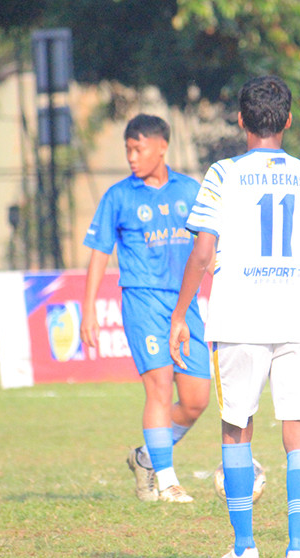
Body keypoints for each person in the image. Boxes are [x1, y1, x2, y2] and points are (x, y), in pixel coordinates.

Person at [169, 75, 300, 558]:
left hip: (239, 315)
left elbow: (202, 252)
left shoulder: (222, 175)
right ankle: (298, 554)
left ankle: (245, 548)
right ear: (287, 121)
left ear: (241, 120)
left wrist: (180, 314)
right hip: (299, 316)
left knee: (236, 426)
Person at [81, 114, 210, 503]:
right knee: (158, 388)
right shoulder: (119, 197)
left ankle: (145, 457)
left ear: (161, 147)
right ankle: (168, 481)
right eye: (128, 149)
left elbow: (209, 251)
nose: (132, 157)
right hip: (143, 300)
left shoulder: (190, 191)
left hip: (184, 305)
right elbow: (100, 253)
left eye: (139, 149)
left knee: (195, 401)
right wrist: (88, 309)